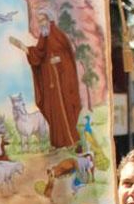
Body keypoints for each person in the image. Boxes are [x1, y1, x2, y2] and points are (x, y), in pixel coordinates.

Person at [9, 12, 82, 148]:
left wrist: (59, 59)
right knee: (53, 112)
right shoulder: (44, 37)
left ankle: (71, 140)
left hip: (62, 83)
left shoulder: (58, 35)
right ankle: (58, 143)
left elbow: (68, 55)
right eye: (39, 21)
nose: (41, 23)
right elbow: (38, 55)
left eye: (43, 20)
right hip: (51, 85)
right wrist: (23, 47)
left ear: (49, 20)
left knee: (64, 110)